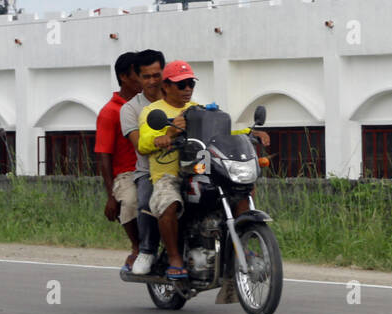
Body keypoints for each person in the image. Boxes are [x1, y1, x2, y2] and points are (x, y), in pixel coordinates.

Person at [138, 60, 269, 281]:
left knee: (239, 191)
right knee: (168, 203)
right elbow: (143, 143)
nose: (187, 89)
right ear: (166, 86)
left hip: (200, 171)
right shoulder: (153, 111)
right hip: (168, 174)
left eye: (190, 83)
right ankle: (175, 258)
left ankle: (242, 247)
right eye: (181, 85)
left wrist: (249, 133)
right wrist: (166, 135)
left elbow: (222, 135)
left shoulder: (198, 110)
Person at [119, 49, 166, 275]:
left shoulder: (178, 97)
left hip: (181, 168)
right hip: (149, 171)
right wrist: (167, 138)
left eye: (157, 75)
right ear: (138, 78)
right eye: (146, 76)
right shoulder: (129, 109)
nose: (152, 81)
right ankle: (147, 249)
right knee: (146, 202)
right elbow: (139, 145)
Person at [95, 52, 142, 271]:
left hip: (156, 169)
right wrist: (111, 196)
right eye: (139, 74)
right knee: (131, 202)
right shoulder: (110, 112)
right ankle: (137, 247)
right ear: (124, 77)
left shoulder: (154, 104)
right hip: (128, 174)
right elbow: (104, 155)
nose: (145, 79)